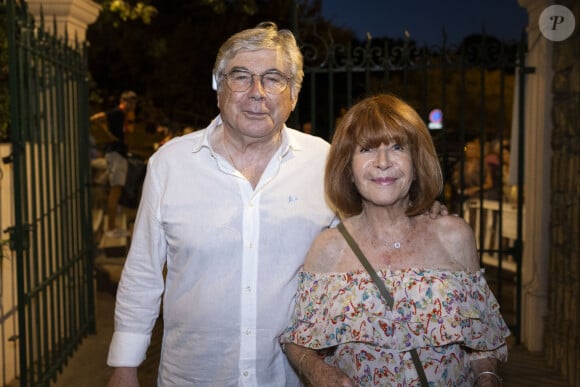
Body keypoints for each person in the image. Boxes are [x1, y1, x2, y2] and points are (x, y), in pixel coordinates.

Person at [106, 23, 447, 387]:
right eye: (241, 77)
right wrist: (125, 366)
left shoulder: (325, 162)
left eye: (273, 79)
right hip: (194, 376)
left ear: (294, 94)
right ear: (217, 86)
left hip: (289, 377)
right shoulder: (170, 164)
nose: (257, 93)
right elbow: (143, 273)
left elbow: (371, 231)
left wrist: (419, 212)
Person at [280, 94, 510, 386]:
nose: (383, 162)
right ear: (348, 168)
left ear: (416, 162)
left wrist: (487, 376)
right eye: (366, 149)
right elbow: (297, 339)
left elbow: (483, 336)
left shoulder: (454, 237)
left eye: (397, 147)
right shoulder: (328, 248)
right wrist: (319, 372)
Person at [90, 90, 138, 238]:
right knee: (115, 190)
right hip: (116, 153)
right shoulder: (117, 112)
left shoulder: (124, 116)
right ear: (126, 102)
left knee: (116, 189)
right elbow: (94, 119)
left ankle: (112, 225)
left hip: (119, 153)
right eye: (133, 102)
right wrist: (109, 136)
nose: (134, 106)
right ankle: (111, 228)